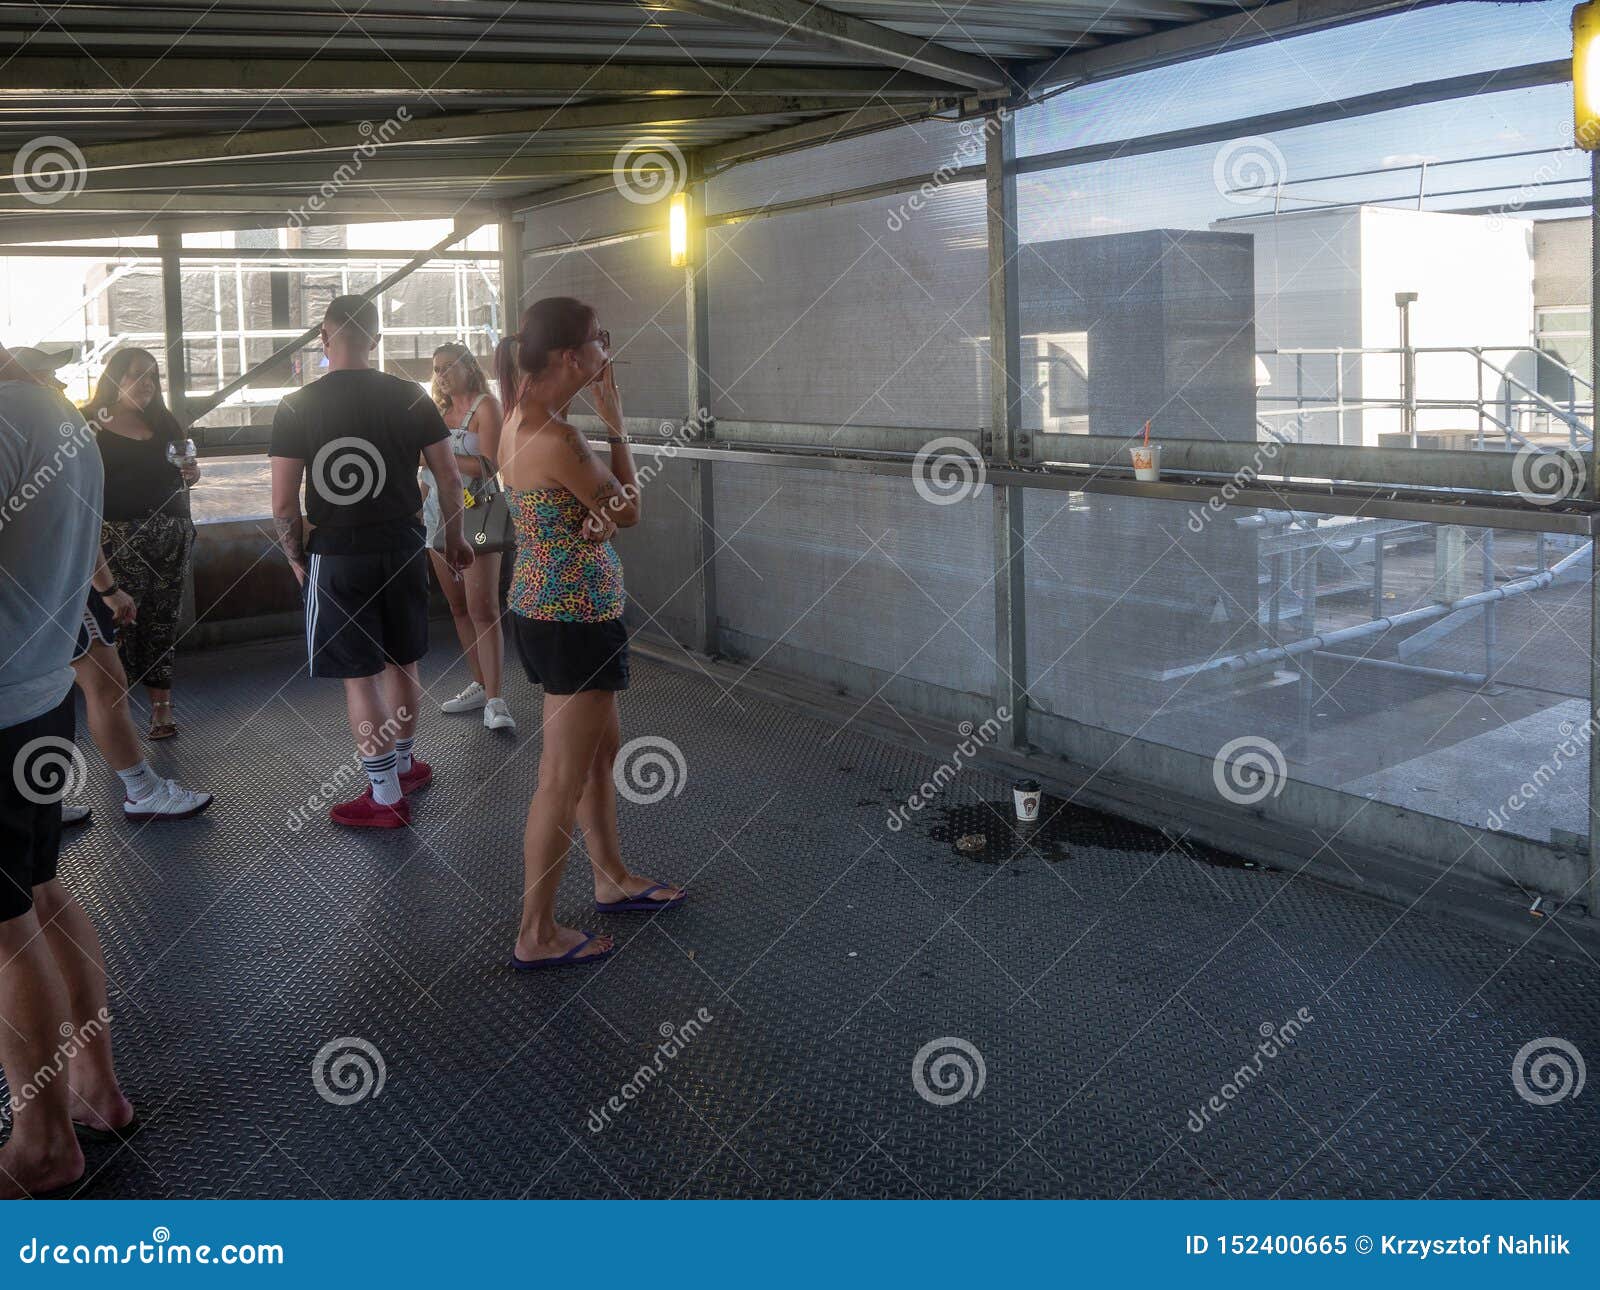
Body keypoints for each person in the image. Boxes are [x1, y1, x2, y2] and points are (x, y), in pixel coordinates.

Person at [497, 298, 684, 970]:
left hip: (546, 607)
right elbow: (631, 509)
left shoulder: (521, 419)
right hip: (573, 618)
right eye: (601, 341)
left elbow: (577, 509)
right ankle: (535, 931)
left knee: (601, 755)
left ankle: (611, 877)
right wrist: (618, 426)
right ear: (575, 357)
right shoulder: (564, 437)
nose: (609, 352)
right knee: (561, 777)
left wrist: (596, 514)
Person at [0, 344, 136, 1199]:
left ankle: (43, 1145)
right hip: (42, 694)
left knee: (4, 925)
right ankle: (98, 1092)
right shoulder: (53, 414)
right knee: (41, 894)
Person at [269, 296, 473, 829]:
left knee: (359, 676)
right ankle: (404, 766)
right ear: (377, 339)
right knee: (404, 660)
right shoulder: (410, 397)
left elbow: (284, 504)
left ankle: (384, 796)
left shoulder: (297, 405)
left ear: (324, 336)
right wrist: (455, 540)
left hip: (338, 553)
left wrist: (297, 560)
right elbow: (450, 479)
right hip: (404, 544)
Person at [82, 348, 198, 741]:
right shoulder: (89, 424)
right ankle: (117, 714)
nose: (147, 383)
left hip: (172, 534)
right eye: (136, 375)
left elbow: (183, 475)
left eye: (152, 376)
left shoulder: (164, 422)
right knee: (122, 624)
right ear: (114, 378)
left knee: (163, 622)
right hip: (118, 540)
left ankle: (162, 707)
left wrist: (191, 473)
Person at [420, 343, 514, 732]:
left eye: (448, 366)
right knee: (457, 606)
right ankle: (478, 684)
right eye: (436, 369)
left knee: (483, 608)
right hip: (436, 516)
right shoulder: (437, 413)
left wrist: (435, 459)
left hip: (479, 515)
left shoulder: (486, 408)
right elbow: (422, 470)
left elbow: (492, 466)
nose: (442, 374)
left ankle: (496, 699)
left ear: (468, 366)